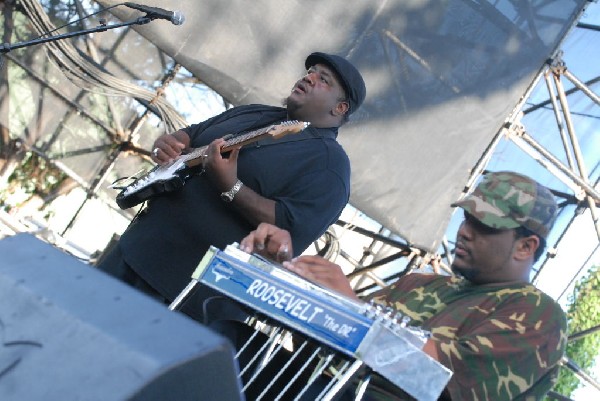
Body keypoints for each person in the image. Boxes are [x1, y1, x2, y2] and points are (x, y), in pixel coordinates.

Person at [239, 171, 568, 401]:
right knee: (232, 341)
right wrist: (286, 268)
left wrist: (350, 308)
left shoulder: (539, 316)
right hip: (314, 387)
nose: (465, 231)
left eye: (484, 226)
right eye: (467, 218)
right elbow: (327, 343)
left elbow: (438, 380)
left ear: (526, 247)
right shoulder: (419, 283)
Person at [97, 52, 367, 324]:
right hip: (132, 251)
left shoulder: (331, 167)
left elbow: (289, 233)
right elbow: (188, 136)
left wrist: (231, 186)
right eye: (310, 71)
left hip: (179, 295)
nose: (308, 78)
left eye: (323, 79)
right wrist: (167, 144)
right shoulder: (253, 112)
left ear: (340, 108)